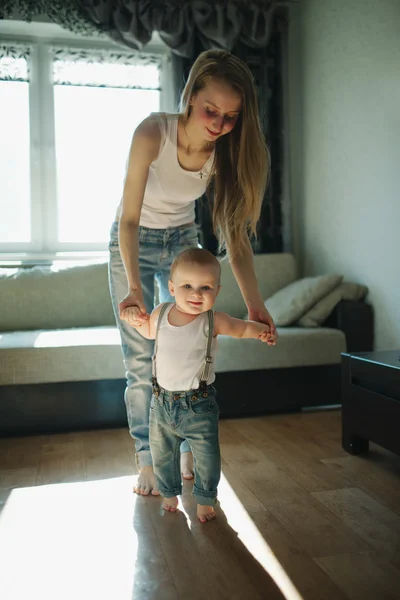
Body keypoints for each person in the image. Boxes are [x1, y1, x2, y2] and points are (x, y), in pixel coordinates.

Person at [108, 48, 277, 497]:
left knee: (191, 344)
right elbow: (127, 219)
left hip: (183, 242)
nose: (220, 124)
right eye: (211, 110)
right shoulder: (152, 132)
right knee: (143, 361)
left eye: (231, 116)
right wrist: (133, 289)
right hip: (134, 239)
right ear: (191, 95)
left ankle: (181, 445)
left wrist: (256, 306)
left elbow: (234, 238)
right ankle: (148, 456)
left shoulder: (223, 155)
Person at [122, 248, 277, 522]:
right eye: (187, 286)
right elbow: (147, 331)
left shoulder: (213, 320)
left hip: (198, 405)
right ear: (171, 288)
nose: (196, 294)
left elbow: (240, 328)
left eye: (205, 287)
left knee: (206, 455)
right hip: (161, 404)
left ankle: (206, 498)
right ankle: (169, 493)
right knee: (163, 454)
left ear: (216, 291)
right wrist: (133, 319)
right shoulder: (161, 313)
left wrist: (260, 332)